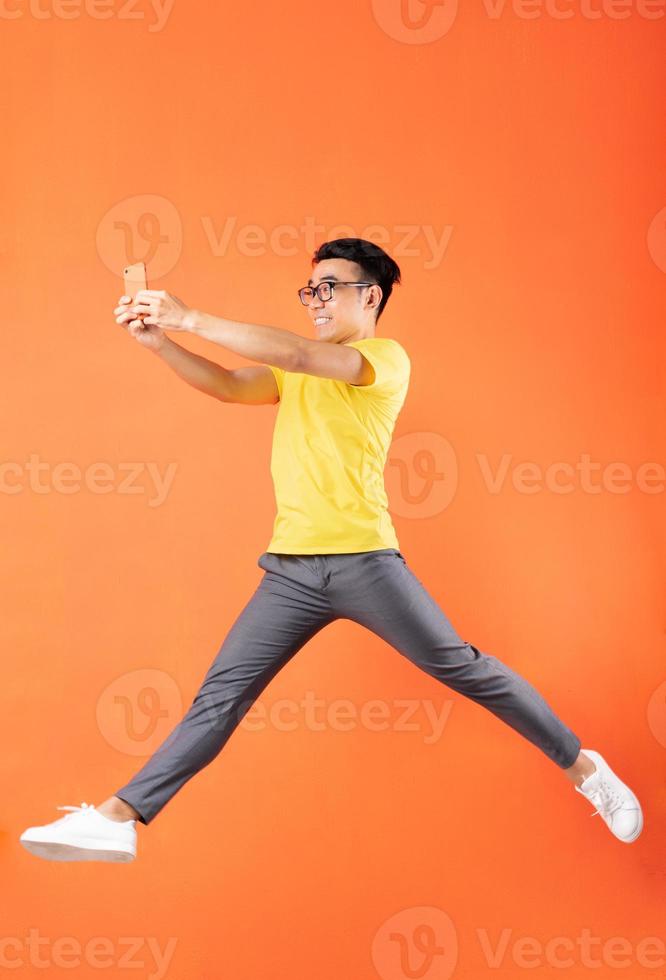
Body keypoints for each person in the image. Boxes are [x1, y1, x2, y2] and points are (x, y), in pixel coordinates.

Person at [20, 238, 643, 863]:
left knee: (465, 668)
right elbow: (230, 386)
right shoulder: (296, 371)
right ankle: (117, 817)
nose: (315, 300)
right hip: (289, 572)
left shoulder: (383, 360)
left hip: (365, 563)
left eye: (329, 288)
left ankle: (584, 767)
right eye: (310, 289)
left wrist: (190, 316)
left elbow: (295, 350)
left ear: (369, 296)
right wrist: (160, 342)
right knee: (220, 697)